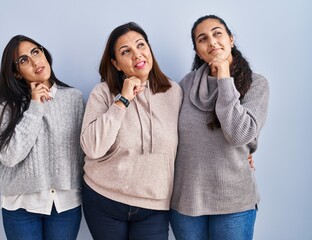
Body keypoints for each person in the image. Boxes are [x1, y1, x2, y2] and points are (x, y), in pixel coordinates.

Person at [170, 15, 269, 240]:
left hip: (233, 202)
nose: (212, 42)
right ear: (197, 51)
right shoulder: (185, 84)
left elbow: (239, 134)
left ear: (231, 39)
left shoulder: (257, 84)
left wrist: (224, 78)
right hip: (186, 201)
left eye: (217, 33)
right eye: (202, 39)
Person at [80, 22, 182, 240]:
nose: (137, 55)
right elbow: (92, 148)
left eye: (141, 45)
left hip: (154, 205)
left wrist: (245, 149)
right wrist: (123, 100)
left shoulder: (174, 92)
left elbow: (193, 133)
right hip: (104, 199)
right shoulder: (103, 93)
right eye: (126, 51)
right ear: (116, 63)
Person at [0, 35, 84, 240]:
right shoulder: (6, 107)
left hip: (65, 205)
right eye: (23, 60)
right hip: (21, 206)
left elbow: (83, 152)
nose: (34, 62)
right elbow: (10, 156)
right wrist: (35, 106)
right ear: (17, 73)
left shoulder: (73, 98)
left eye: (35, 52)